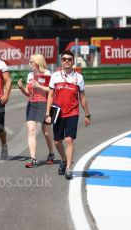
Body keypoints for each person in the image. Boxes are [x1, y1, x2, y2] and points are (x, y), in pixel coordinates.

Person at [45, 50, 91, 179]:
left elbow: (82, 97)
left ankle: (69, 168)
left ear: (73, 61)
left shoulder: (78, 77)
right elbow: (50, 95)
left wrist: (87, 114)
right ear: (61, 60)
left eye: (69, 59)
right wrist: (48, 113)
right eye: (64, 59)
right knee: (57, 142)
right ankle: (64, 160)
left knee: (69, 139)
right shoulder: (55, 76)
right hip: (57, 112)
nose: (66, 61)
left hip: (73, 112)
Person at [17, 54, 55, 168]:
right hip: (32, 104)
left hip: (45, 105)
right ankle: (33, 159)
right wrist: (21, 88)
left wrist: (39, 86)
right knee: (31, 130)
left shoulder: (47, 74)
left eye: (31, 62)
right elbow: (29, 93)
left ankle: (51, 154)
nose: (29, 64)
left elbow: (51, 90)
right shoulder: (30, 75)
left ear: (38, 63)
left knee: (46, 132)